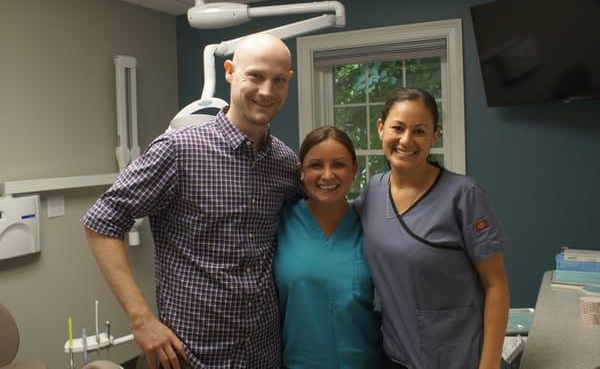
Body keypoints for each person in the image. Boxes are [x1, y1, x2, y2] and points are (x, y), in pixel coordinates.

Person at [82, 33, 301, 369]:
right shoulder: (178, 150)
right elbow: (101, 223)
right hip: (191, 355)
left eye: (279, 80)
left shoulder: (285, 163)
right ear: (229, 71)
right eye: (255, 76)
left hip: (263, 353)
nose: (267, 91)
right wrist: (140, 320)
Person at [354, 87, 509, 369]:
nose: (406, 140)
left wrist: (489, 366)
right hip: (396, 357)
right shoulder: (373, 192)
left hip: (460, 358)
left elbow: (495, 284)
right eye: (397, 128)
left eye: (420, 131)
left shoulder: (463, 195)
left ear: (435, 135)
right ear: (380, 128)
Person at [273, 126, 386, 368]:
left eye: (338, 165)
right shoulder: (279, 223)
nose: (327, 175)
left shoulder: (371, 225)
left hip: (365, 362)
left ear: (354, 170)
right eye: (316, 165)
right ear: (301, 171)